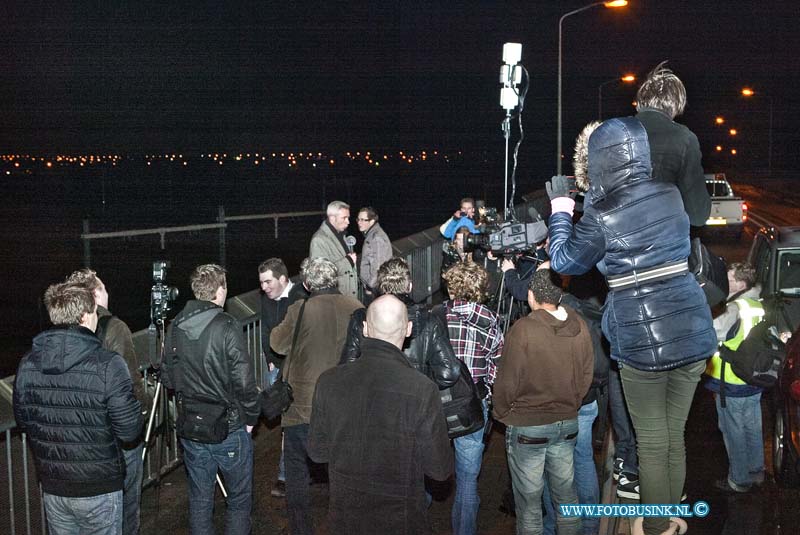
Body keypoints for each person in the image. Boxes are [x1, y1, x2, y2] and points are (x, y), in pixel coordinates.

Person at [547, 117, 716, 535]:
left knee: (653, 441)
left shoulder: (602, 215)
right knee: (674, 435)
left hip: (643, 339)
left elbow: (565, 261)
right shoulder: (670, 194)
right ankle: (673, 514)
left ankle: (656, 527)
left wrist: (561, 213)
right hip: (693, 327)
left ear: (600, 161)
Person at [307, 295, 454, 534]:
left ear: (364, 328)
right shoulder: (422, 389)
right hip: (401, 520)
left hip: (345, 518)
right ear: (408, 329)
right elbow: (439, 469)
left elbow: (317, 453)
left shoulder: (328, 381)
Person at [14, 282, 142, 535]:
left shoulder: (28, 364)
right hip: (99, 487)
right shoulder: (108, 364)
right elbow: (129, 431)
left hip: (54, 487)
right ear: (85, 316)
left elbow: (24, 421)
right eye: (95, 312)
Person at [162, 264, 261, 535]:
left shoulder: (175, 325)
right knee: (239, 501)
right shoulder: (227, 325)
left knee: (200, 500)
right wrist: (251, 417)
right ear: (220, 290)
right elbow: (244, 382)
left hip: (191, 427)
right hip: (228, 427)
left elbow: (168, 378)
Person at [493, 268, 593, 535]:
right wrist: (571, 403)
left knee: (530, 506)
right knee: (567, 500)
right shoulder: (579, 324)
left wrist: (502, 413)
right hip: (566, 423)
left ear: (531, 295)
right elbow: (586, 376)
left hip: (528, 428)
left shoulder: (524, 329)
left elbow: (507, 381)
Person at [270, 257, 363, 535]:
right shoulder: (355, 308)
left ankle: (302, 529)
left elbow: (277, 342)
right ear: (335, 280)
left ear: (307, 284)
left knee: (297, 471)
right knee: (342, 472)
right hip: (342, 407)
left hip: (301, 406)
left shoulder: (300, 309)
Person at [66, 268, 148, 535]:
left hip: (77, 438)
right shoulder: (115, 328)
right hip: (115, 438)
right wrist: (142, 409)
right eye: (104, 287)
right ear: (95, 294)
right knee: (125, 506)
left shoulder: (64, 329)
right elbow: (128, 384)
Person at [436, 261, 503, 535]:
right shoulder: (490, 320)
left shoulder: (436, 316)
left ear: (451, 288)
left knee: (428, 463)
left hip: (438, 403)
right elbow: (496, 366)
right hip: (472, 405)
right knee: (467, 478)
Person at [341, 256, 461, 388]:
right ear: (409, 286)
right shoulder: (429, 321)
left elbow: (348, 367)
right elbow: (449, 372)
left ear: (379, 286)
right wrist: (420, 387)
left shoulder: (361, 319)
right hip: (413, 401)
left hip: (373, 399)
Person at [704, 262, 766, 493]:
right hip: (754, 379)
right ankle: (756, 470)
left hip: (730, 380)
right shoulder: (758, 303)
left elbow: (711, 333)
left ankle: (738, 480)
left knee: (733, 430)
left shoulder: (733, 308)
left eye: (729, 280)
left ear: (741, 284)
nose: (725, 284)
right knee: (752, 425)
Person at [635, 61, 711, 228]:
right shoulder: (684, 139)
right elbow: (698, 215)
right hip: (660, 245)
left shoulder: (612, 131)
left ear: (641, 101)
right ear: (677, 104)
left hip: (611, 247)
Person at [257, 257, 308, 498]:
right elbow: (266, 334)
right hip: (277, 368)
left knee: (291, 423)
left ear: (283, 279)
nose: (264, 287)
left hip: (296, 370)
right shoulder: (265, 301)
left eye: (268, 282)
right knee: (289, 423)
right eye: (262, 283)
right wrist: (270, 360)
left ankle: (286, 476)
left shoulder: (300, 300)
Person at [309, 200, 358, 298]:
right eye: (344, 218)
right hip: (334, 301)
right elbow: (319, 274)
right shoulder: (318, 240)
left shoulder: (341, 235)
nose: (348, 222)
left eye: (348, 218)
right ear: (332, 217)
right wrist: (347, 262)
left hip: (347, 300)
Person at [356, 206, 392, 303]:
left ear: (372, 222)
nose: (359, 222)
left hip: (375, 290)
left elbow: (378, 264)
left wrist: (370, 287)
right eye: (358, 219)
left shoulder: (376, 237)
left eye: (363, 220)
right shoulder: (372, 234)